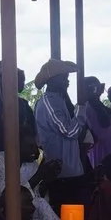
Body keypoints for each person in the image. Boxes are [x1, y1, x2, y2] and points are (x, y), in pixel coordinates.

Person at [33, 59, 88, 207]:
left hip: (70, 172)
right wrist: (81, 107)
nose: (67, 82)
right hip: (62, 174)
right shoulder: (49, 102)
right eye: (64, 78)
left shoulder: (58, 100)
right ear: (52, 80)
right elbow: (70, 131)